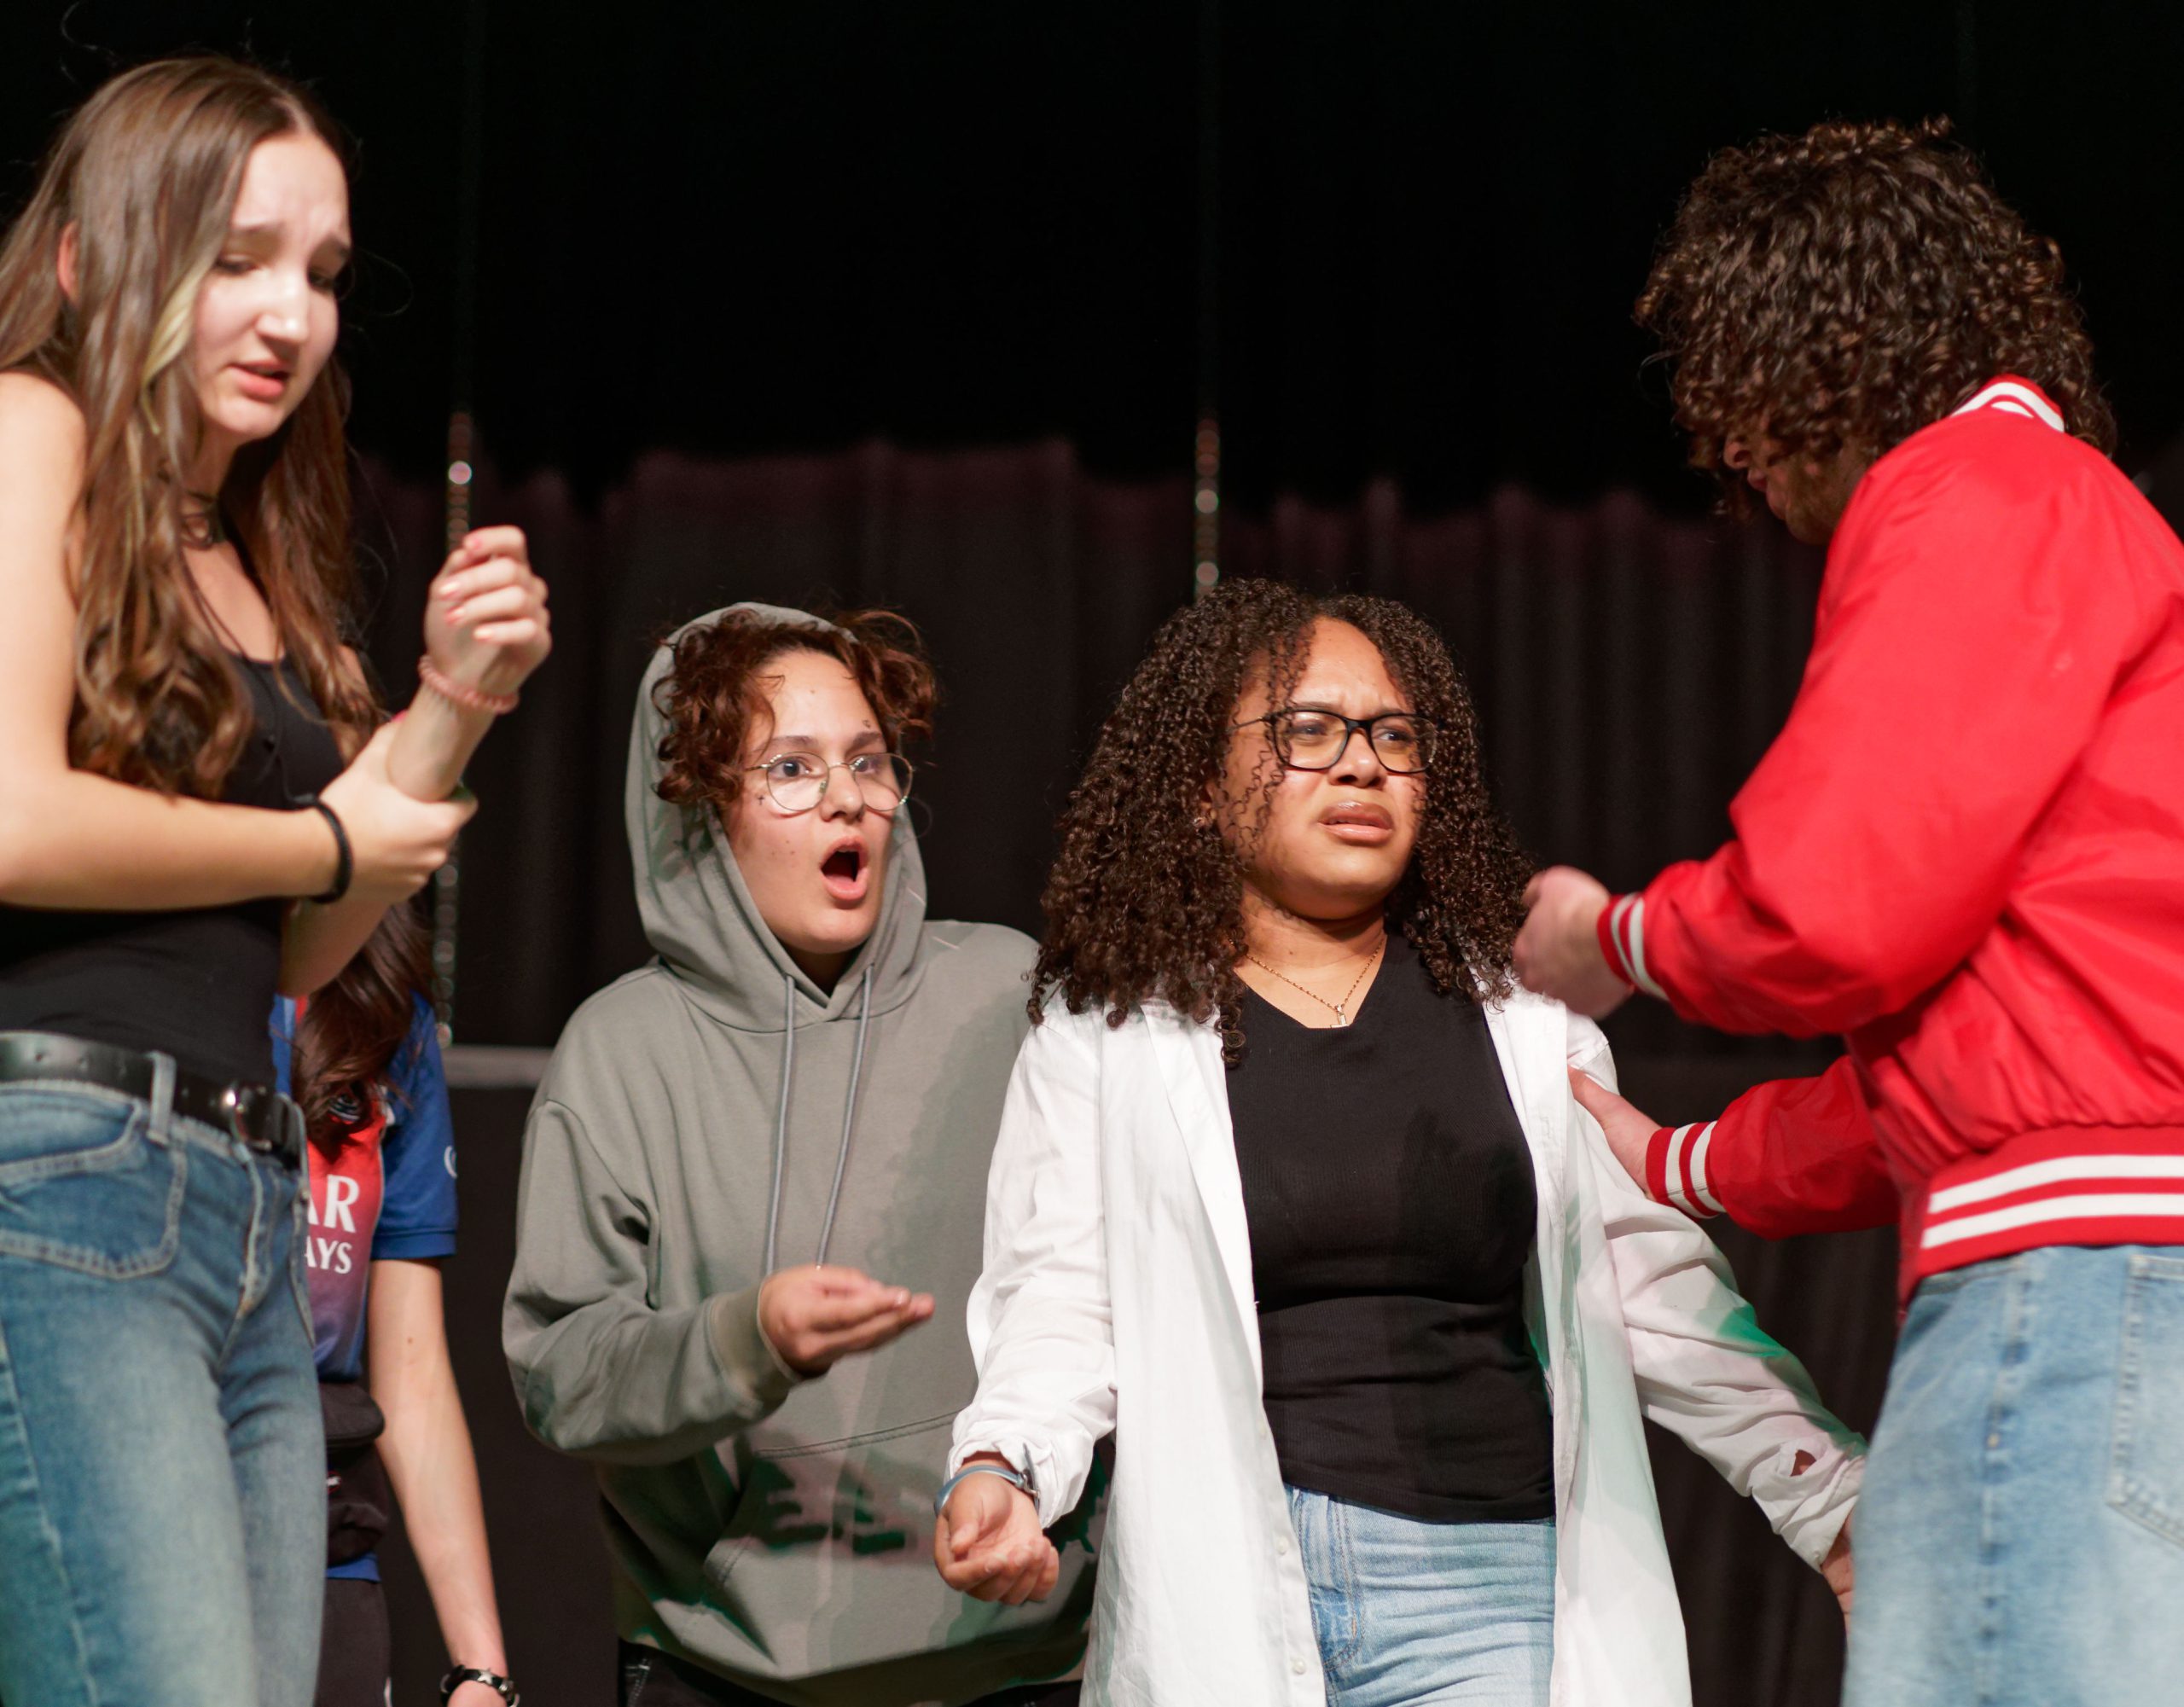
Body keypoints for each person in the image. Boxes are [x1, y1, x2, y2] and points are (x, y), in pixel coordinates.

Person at [1510, 119, 2184, 1706]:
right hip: (2106, 1277)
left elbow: (1833, 908)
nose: (1730, 452)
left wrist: (1610, 940)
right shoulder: (2072, 516)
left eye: (1732, 392)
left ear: (1819, 339)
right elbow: (1951, 1075)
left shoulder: (1977, 487)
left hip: (2068, 1293)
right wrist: (1680, 1161)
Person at [934, 580, 1862, 1707]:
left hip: (1483, 1593)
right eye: (1307, 731)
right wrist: (1005, 1465)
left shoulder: (1528, 1027)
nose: (1362, 766)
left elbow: (1655, 1294)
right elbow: (1058, 1301)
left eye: (1393, 737)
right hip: (1224, 1586)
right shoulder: (1111, 1039)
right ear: (1200, 791)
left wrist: (1832, 1503)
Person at [0, 55, 548, 1707]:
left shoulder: (241, 549)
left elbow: (300, 948)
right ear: (90, 254)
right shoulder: (32, 429)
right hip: (67, 1168)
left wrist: (452, 706)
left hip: (245, 1190)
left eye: (320, 272)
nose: (290, 315)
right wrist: (323, 839)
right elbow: (15, 819)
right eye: (237, 257)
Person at [504, 604, 1095, 1707]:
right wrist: (748, 1338)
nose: (846, 797)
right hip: (725, 1674)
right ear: (700, 809)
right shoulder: (622, 1048)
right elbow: (562, 1374)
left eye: (868, 760)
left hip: (1017, 1661)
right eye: (789, 767)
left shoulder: (1008, 995)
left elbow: (1102, 1293)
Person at [276, 904, 514, 1707]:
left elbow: (412, 1374)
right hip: (161, 1537)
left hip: (329, 1554)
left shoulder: (385, 1016)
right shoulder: (169, 978)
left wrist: (482, 1670)